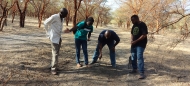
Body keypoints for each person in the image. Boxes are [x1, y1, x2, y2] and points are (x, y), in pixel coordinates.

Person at [44, 8, 68, 75]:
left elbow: (59, 29)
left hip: (59, 38)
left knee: (56, 53)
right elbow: (45, 23)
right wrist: (48, 33)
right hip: (54, 38)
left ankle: (53, 65)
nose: (66, 16)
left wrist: (64, 32)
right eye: (65, 15)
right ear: (61, 13)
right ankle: (53, 69)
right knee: (55, 53)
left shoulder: (62, 18)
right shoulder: (54, 17)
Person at [130, 15, 148, 79]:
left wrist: (136, 41)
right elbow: (132, 33)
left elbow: (144, 35)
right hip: (134, 44)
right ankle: (134, 69)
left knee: (139, 57)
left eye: (133, 20)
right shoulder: (134, 25)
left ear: (137, 19)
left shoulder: (142, 25)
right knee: (133, 56)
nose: (132, 21)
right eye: (131, 20)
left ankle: (141, 73)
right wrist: (132, 40)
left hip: (141, 44)